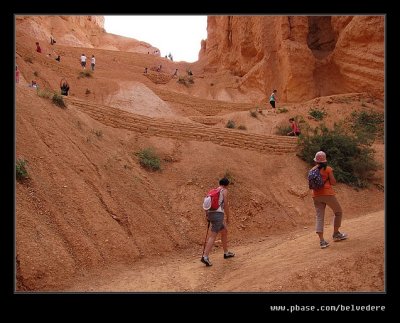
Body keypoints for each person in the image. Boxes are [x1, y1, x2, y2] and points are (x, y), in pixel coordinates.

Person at [310, 151, 348, 249]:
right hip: (327, 194)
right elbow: (334, 182)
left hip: (316, 195)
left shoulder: (312, 170)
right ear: (324, 160)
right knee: (338, 212)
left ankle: (322, 241)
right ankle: (336, 234)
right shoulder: (328, 169)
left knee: (319, 217)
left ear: (315, 161)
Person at [201, 177, 235, 266]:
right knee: (213, 236)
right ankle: (205, 256)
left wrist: (207, 215)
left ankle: (226, 253)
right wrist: (228, 217)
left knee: (224, 231)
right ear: (227, 185)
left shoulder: (213, 191)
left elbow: (206, 204)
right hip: (218, 215)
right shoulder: (224, 191)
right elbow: (226, 205)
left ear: (219, 183)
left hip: (211, 213)